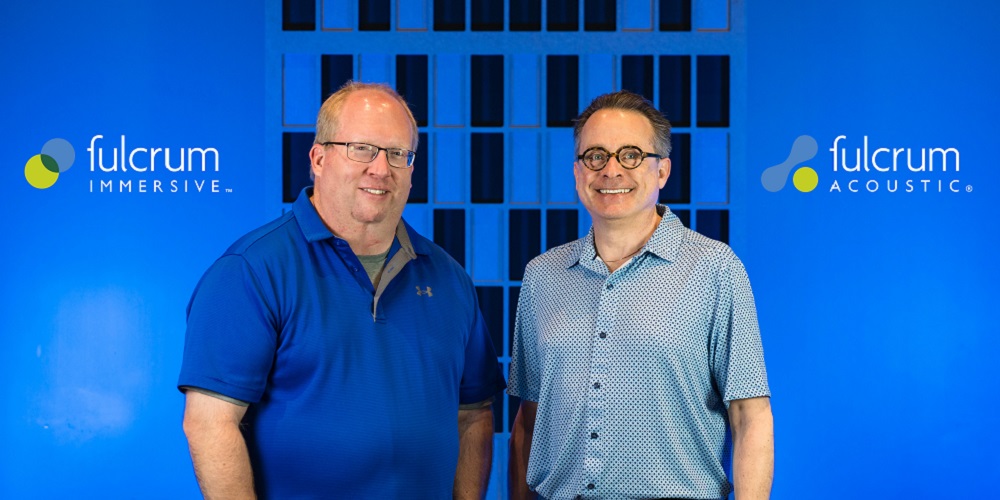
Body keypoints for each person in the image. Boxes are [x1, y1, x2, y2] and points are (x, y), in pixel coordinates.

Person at [178, 81, 506, 499]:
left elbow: (473, 414)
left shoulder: (448, 277)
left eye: (397, 154)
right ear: (318, 158)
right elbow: (209, 423)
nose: (381, 169)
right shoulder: (251, 271)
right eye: (362, 149)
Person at [508, 90, 773, 500]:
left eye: (631, 154)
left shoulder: (715, 268)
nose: (611, 170)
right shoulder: (542, 276)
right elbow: (529, 419)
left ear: (663, 171)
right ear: (578, 172)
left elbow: (750, 416)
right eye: (595, 155)